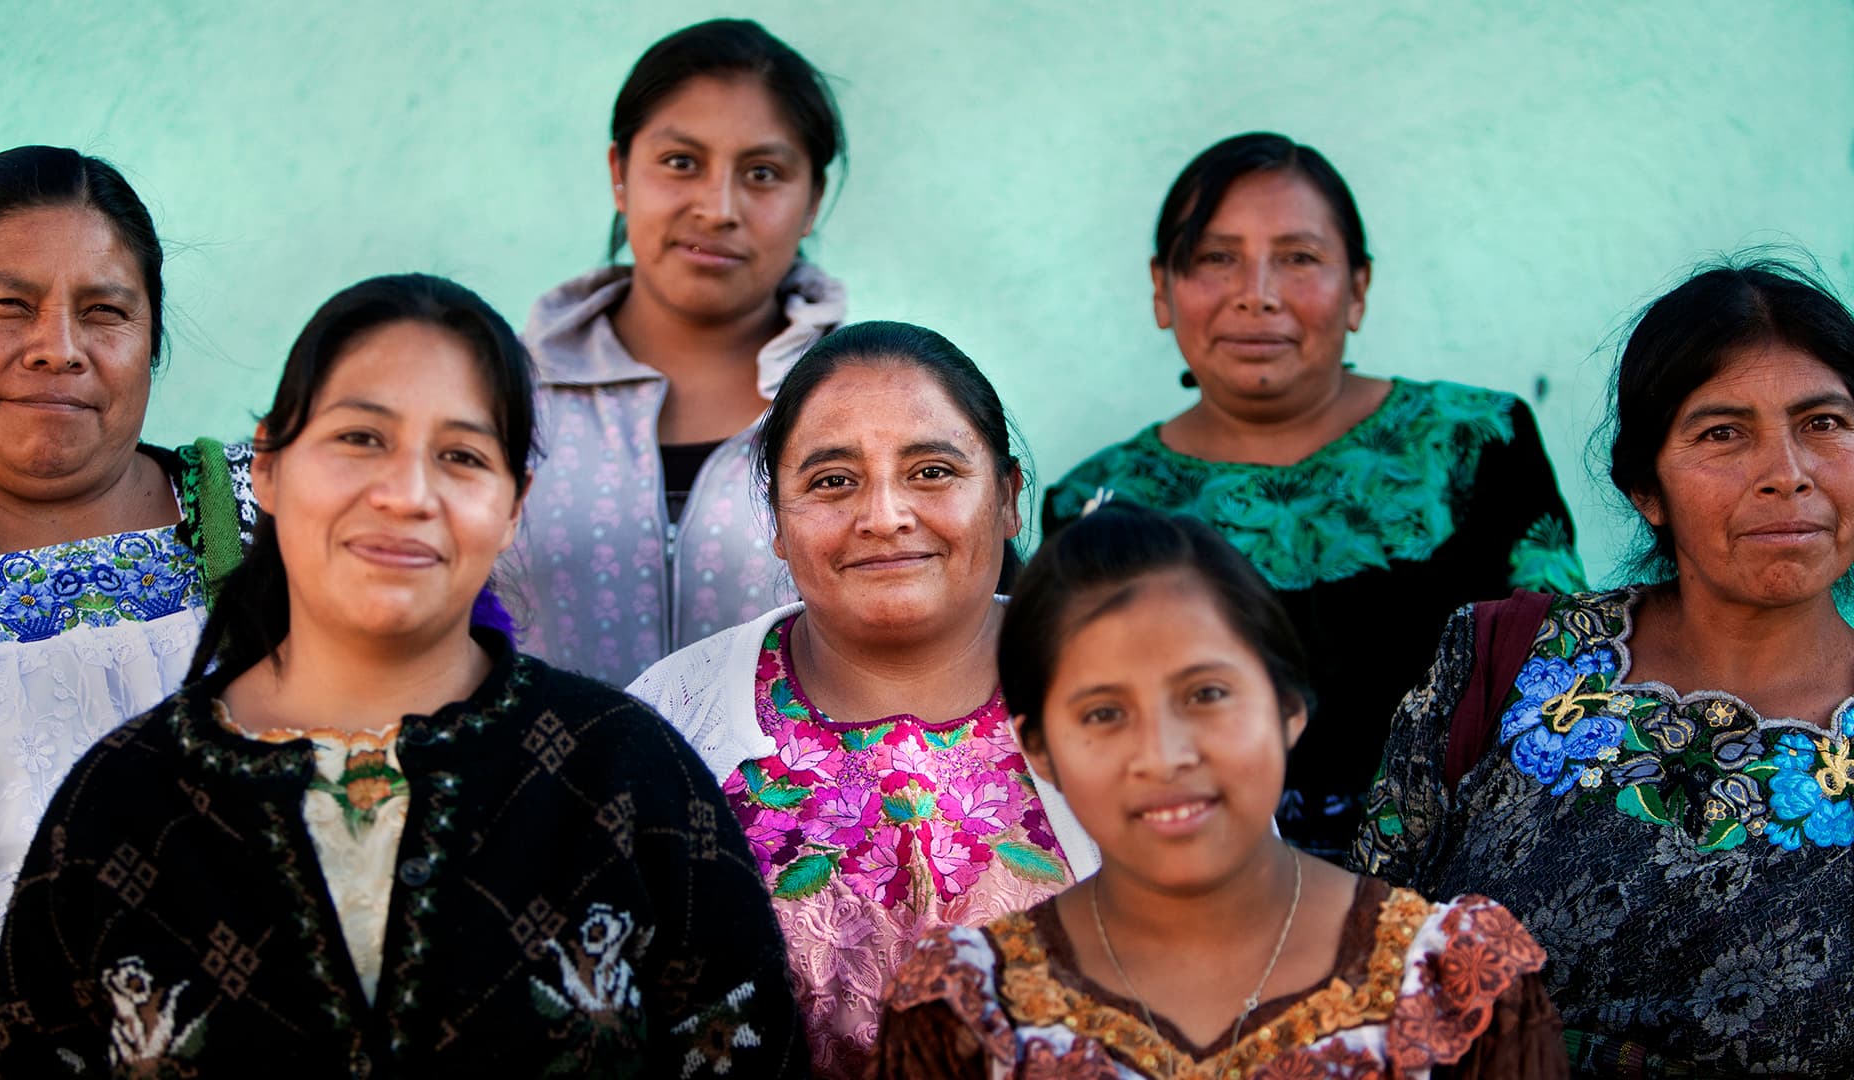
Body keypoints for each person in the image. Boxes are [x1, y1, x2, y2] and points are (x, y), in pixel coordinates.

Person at [0, 274, 807, 1075]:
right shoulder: (122, 802)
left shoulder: (624, 774)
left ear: (514, 504)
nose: (408, 494)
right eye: (361, 438)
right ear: (264, 466)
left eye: (461, 455)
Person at [1353, 259, 1854, 1076]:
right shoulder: (1499, 660)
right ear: (1644, 488)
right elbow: (1364, 959)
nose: (1786, 473)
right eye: (1722, 432)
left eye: (1825, 423)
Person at [876, 502, 1564, 1079]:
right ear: (1040, 751)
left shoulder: (1458, 982)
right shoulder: (965, 1009)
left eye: (1207, 694)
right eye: (1103, 714)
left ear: (1288, 708)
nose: (1165, 755)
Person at [1043, 133, 1586, 860]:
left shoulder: (1476, 443)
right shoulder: (1097, 507)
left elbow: (1567, 685)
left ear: (1357, 288)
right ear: (1160, 289)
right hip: (1204, 909)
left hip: (1468, 888)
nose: (1256, 293)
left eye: (1299, 258)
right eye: (1214, 258)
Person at [630, 321, 1097, 1078]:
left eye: (933, 471)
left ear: (1010, 499)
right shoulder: (669, 720)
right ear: (777, 521)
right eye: (833, 481)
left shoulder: (1129, 695)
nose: (883, 516)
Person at [0, 146, 259, 1076]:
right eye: (8, 306)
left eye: (106, 311)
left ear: (150, 342)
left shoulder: (277, 525)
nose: (59, 347)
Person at [518, 17, 848, 686]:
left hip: (790, 795)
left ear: (811, 199)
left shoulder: (870, 402)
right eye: (680, 163)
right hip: (536, 791)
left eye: (762, 173)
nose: (717, 207)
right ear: (620, 172)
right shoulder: (502, 395)